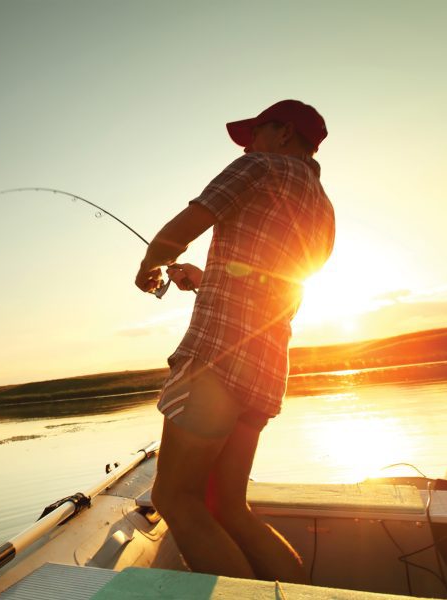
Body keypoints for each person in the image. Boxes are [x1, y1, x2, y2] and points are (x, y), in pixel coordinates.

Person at [135, 99, 335, 582]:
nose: (247, 144)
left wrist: (150, 265)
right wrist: (206, 278)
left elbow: (184, 226)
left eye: (255, 132)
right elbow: (275, 283)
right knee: (229, 506)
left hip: (215, 361)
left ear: (283, 133)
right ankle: (294, 593)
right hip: (266, 371)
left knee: (174, 498)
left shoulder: (259, 166)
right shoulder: (323, 207)